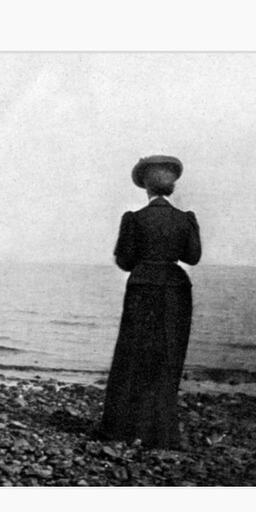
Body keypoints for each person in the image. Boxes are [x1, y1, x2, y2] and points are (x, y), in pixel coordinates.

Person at [95, 155, 202, 449]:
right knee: (168, 357)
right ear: (172, 186)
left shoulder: (133, 218)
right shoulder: (186, 218)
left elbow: (125, 260)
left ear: (146, 187)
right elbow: (192, 257)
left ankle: (119, 429)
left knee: (132, 356)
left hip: (142, 287)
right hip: (176, 288)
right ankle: (162, 433)